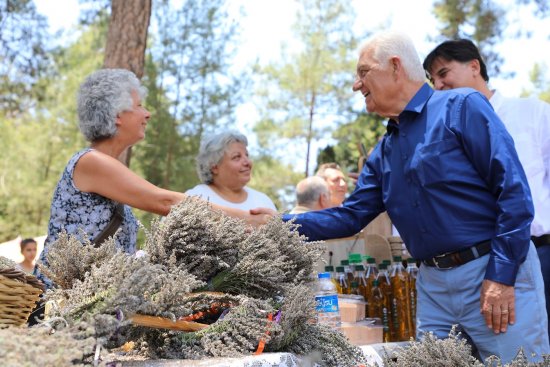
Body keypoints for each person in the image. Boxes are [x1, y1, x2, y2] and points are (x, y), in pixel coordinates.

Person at [253, 31, 549, 362]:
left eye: (363, 72)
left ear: (395, 66)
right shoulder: (383, 152)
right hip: (432, 287)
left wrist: (501, 275)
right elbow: (351, 216)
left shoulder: (462, 107)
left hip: (491, 272)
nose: (356, 85)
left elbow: (514, 192)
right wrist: (282, 223)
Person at [40, 69, 268, 265]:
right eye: (139, 105)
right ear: (117, 115)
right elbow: (164, 201)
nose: (147, 113)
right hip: (61, 302)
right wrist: (249, 218)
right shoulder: (91, 161)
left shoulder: (103, 165)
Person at [423, 38, 550, 339]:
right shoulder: (442, 134)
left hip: (539, 254)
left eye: (443, 73)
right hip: (474, 265)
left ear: (474, 66)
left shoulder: (531, 113)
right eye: (432, 80)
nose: (438, 85)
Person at [186, 131, 276, 211]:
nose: (247, 162)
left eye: (247, 155)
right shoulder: (195, 198)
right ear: (214, 167)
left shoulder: (263, 201)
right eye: (237, 157)